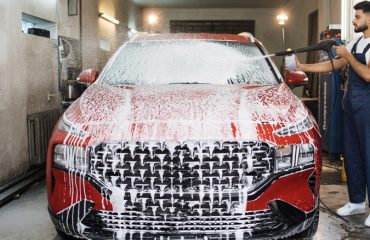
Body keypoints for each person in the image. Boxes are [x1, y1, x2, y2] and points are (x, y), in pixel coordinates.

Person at [296, 1, 370, 227]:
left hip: (367, 107)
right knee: (352, 155)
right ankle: (356, 201)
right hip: (351, 106)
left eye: (357, 16)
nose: (353, 20)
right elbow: (334, 65)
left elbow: (367, 75)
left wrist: (348, 56)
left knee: (368, 155)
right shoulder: (357, 40)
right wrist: (303, 67)